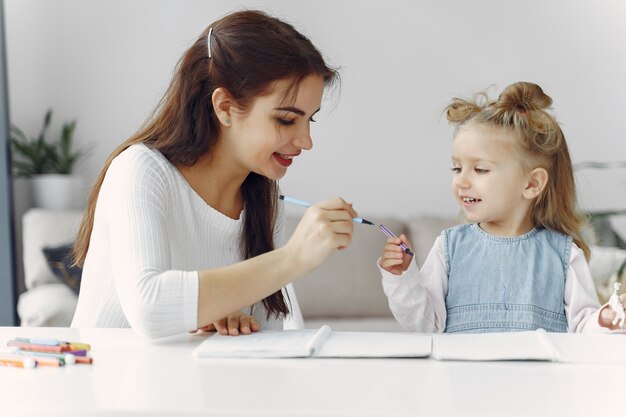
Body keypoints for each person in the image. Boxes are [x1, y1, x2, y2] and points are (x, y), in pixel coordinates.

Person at [70, 10, 360, 340]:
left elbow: (268, 336)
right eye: (286, 119)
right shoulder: (140, 170)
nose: (306, 142)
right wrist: (294, 257)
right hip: (100, 384)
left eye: (311, 120)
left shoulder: (263, 195)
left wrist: (229, 321)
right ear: (224, 107)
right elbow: (149, 306)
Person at [379, 81, 625, 333]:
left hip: (538, 374)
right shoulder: (449, 247)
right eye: (457, 168)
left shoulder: (563, 255)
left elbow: (583, 326)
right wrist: (402, 278)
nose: (461, 180)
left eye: (480, 169)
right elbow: (426, 325)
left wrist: (605, 319)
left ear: (531, 183)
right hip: (461, 373)